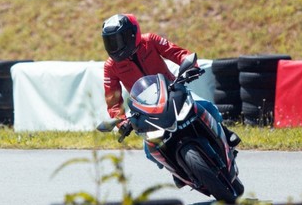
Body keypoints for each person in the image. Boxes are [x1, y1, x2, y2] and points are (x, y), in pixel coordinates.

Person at [101, 13, 241, 152]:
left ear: (132, 34)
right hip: (144, 107)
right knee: (150, 151)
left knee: (207, 107)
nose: (115, 46)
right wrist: (122, 122)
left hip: (171, 90)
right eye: (111, 42)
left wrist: (191, 67)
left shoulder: (150, 40)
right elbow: (113, 101)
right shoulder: (110, 66)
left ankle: (224, 132)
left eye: (118, 40)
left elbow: (176, 53)